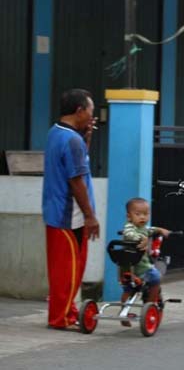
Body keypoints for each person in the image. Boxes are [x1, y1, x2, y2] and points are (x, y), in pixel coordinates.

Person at [42, 88, 99, 330]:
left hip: (54, 212)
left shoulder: (56, 133)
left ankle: (66, 312)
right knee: (70, 270)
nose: (92, 116)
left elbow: (78, 162)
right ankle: (61, 318)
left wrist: (87, 137)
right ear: (79, 111)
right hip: (69, 215)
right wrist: (90, 216)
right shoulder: (72, 140)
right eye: (90, 111)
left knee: (62, 271)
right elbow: (76, 180)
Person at [119, 197, 171, 326]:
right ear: (129, 216)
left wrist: (161, 230)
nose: (142, 217)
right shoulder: (129, 228)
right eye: (138, 214)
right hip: (140, 269)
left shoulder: (143, 228)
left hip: (127, 270)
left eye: (146, 214)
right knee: (156, 278)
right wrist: (140, 239)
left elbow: (151, 229)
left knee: (128, 290)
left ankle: (123, 312)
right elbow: (129, 234)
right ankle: (150, 304)